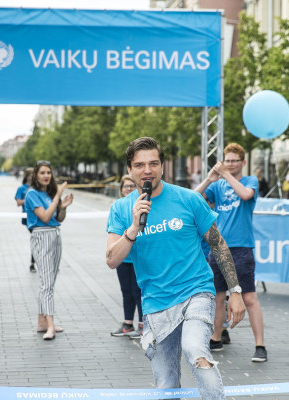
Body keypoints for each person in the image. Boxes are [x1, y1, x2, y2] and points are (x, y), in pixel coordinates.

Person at [106, 137, 245, 398]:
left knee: (195, 350)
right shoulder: (122, 208)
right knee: (166, 384)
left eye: (153, 163)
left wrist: (235, 291)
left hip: (196, 291)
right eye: (139, 165)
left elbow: (218, 245)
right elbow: (112, 259)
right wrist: (133, 228)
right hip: (156, 301)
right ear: (129, 169)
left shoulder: (189, 199)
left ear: (162, 166)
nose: (147, 170)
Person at [194, 143, 267, 362]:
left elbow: (245, 195)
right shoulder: (217, 185)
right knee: (217, 297)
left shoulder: (250, 181)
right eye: (227, 160)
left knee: (249, 297)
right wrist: (209, 179)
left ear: (243, 162)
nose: (231, 164)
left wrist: (226, 174)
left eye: (235, 161)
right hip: (218, 247)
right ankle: (215, 338)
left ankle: (260, 346)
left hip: (242, 248)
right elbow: (193, 199)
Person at [24, 161, 74, 340]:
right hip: (41, 235)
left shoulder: (49, 194)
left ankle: (42, 322)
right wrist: (58, 195)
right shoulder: (32, 194)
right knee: (46, 283)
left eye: (48, 173)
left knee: (49, 281)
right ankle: (50, 326)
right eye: (42, 173)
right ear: (36, 175)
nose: (46, 176)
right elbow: (45, 217)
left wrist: (63, 207)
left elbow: (58, 219)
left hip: (55, 234)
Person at [110, 175, 143, 339]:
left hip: (138, 257)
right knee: (126, 291)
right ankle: (127, 323)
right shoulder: (118, 207)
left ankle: (143, 325)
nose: (129, 189)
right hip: (123, 258)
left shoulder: (143, 205)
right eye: (126, 186)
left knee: (138, 292)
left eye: (132, 186)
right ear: (121, 189)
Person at [15, 168, 36, 273]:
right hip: (28, 218)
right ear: (27, 176)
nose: (32, 177)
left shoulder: (38, 187)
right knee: (36, 238)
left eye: (34, 174)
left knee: (38, 239)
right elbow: (18, 202)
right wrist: (29, 199)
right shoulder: (21, 188)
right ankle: (33, 263)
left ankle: (36, 262)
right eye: (31, 175)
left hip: (39, 216)